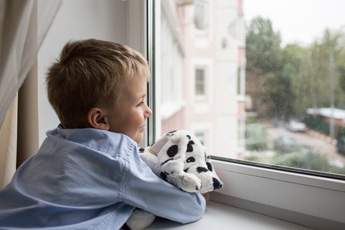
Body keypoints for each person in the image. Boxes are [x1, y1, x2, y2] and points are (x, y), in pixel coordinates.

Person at [0, 39, 205, 229]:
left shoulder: (53, 144)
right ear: (100, 120)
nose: (148, 111)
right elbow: (189, 208)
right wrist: (201, 191)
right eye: (139, 103)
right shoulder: (118, 161)